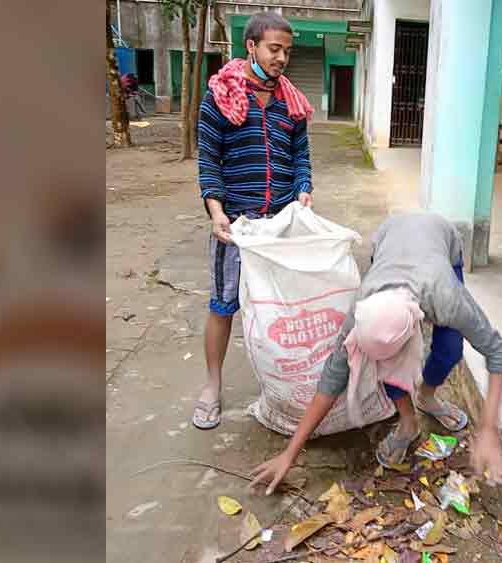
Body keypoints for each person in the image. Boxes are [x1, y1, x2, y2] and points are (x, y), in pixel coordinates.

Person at [250, 213, 502, 494]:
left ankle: (427, 396)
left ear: (415, 330)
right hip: (390, 236)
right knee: (386, 361)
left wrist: (488, 430)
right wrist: (289, 454)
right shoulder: (362, 308)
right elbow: (331, 379)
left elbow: (497, 353)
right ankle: (408, 422)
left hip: (441, 244)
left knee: (450, 350)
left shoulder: (447, 298)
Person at [192, 12, 315, 430]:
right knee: (224, 305)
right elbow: (209, 159)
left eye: (287, 51)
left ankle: (278, 387)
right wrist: (216, 212)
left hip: (279, 223)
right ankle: (212, 385)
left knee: (278, 310)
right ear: (252, 46)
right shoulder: (221, 94)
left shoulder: (290, 101)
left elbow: (300, 155)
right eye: (274, 49)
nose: (282, 58)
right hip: (236, 224)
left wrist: (303, 187)